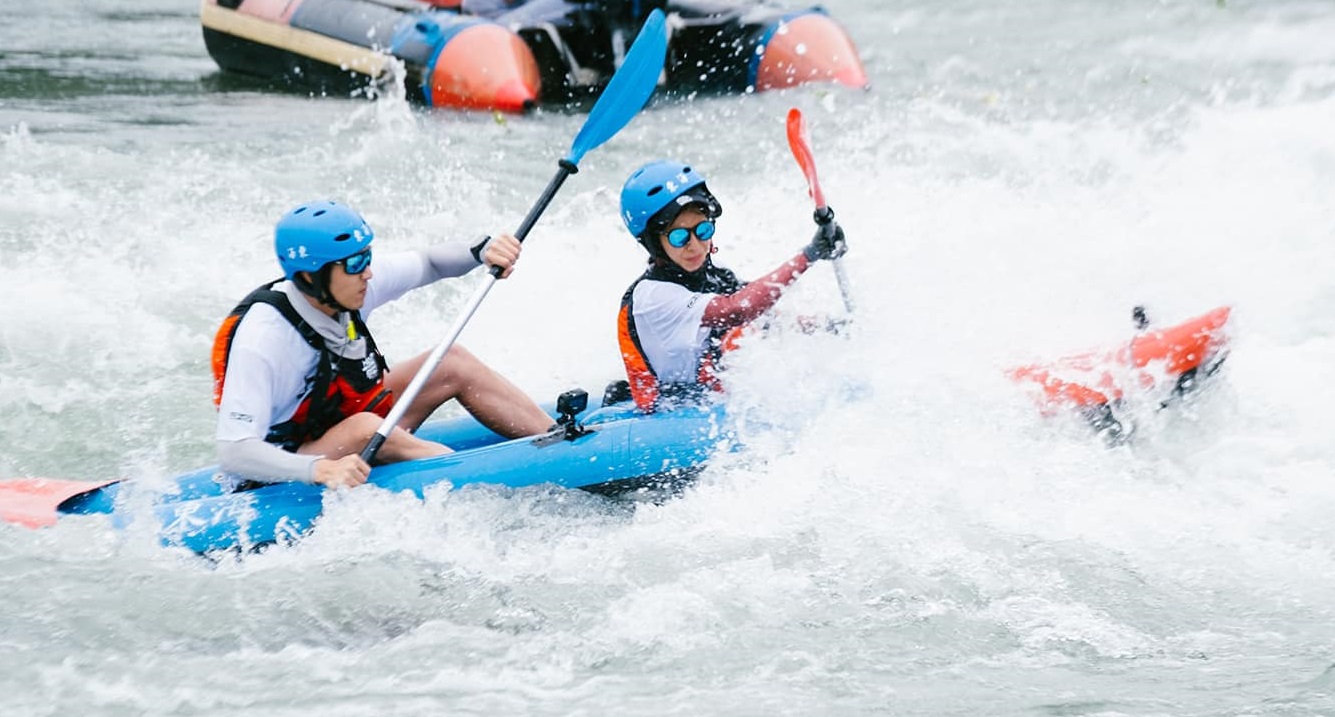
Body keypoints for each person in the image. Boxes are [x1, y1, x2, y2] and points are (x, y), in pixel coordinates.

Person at [212, 199, 554, 489]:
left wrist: (481, 251)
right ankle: (478, 484)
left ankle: (557, 440)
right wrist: (319, 470)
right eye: (355, 263)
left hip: (337, 422)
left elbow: (429, 263)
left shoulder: (347, 286)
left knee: (451, 362)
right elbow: (234, 451)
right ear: (308, 277)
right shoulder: (264, 339)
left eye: (367, 257)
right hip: (290, 464)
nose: (369, 273)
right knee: (366, 429)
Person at [615, 160, 848, 412]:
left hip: (706, 398)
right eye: (679, 236)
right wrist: (809, 255)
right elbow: (738, 309)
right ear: (654, 242)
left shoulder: (713, 275)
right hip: (668, 413)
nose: (695, 245)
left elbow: (766, 316)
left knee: (756, 334)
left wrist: (832, 326)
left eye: (703, 230)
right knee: (741, 336)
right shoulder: (651, 296)